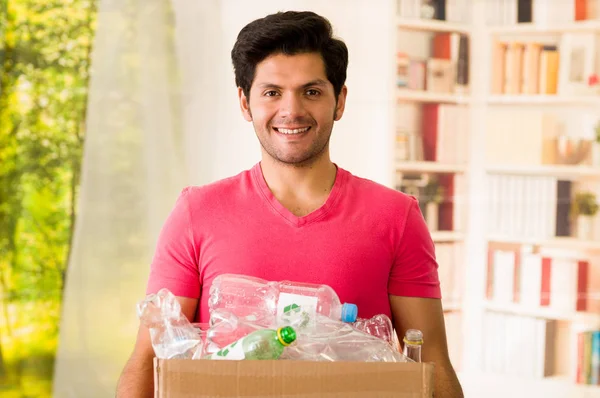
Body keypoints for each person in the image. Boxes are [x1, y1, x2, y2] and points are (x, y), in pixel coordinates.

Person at [116, 10, 464, 398]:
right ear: (246, 104)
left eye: (311, 91)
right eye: (272, 92)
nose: (292, 110)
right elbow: (148, 360)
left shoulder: (396, 217)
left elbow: (431, 359)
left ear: (340, 101)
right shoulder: (197, 212)